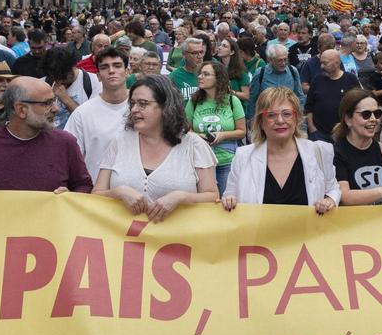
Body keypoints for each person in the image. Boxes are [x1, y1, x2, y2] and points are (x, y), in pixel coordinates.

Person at [92, 74, 218, 221]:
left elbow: (212, 196)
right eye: (132, 103)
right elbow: (96, 194)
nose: (134, 109)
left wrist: (181, 197)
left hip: (178, 241)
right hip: (124, 241)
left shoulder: (193, 144)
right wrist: (119, 192)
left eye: (143, 103)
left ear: (165, 106)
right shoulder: (120, 141)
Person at [0, 76, 92, 192]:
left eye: (54, 101)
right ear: (21, 110)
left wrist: (71, 196)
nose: (55, 109)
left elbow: (83, 185)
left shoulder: (65, 143)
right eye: (47, 103)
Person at [221, 87, 340, 213]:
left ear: (297, 118)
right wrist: (228, 201)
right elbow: (230, 196)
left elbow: (333, 189)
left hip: (310, 232)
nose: (280, 121)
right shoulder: (243, 156)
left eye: (287, 114)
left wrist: (329, 201)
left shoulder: (319, 152)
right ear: (260, 121)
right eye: (271, 115)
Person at [333, 89, 382, 206]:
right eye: (366, 114)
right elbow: (344, 196)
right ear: (348, 119)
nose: (374, 119)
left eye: (377, 113)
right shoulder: (336, 152)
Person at [63, 47, 131, 182]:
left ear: (127, 71)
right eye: (105, 67)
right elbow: (68, 158)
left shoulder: (143, 108)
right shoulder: (82, 114)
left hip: (136, 195)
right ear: (98, 76)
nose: (111, 71)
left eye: (117, 66)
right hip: (95, 194)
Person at [184, 61, 245, 195]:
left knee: (226, 200)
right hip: (201, 162)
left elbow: (242, 131)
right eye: (200, 74)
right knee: (204, 203)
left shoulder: (232, 101)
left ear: (218, 78)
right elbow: (186, 129)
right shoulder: (193, 101)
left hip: (226, 160)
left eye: (206, 74)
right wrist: (198, 136)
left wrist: (222, 135)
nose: (200, 77)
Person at [305, 49, 362, 143]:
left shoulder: (350, 79)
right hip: (319, 134)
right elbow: (309, 107)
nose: (322, 66)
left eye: (325, 63)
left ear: (337, 62)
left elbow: (359, 104)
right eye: (321, 63)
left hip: (344, 134)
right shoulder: (317, 80)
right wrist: (312, 128)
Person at [246, 44, 305, 130]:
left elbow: (299, 96)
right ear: (270, 60)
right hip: (267, 121)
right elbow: (252, 99)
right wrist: (252, 122)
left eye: (285, 59)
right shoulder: (260, 73)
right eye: (279, 61)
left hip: (288, 120)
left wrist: (301, 121)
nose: (283, 63)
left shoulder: (293, 71)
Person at [42, 46, 100, 129]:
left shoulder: (93, 82)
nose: (59, 81)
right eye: (55, 77)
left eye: (63, 76)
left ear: (73, 67)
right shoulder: (47, 82)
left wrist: (66, 99)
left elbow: (90, 121)